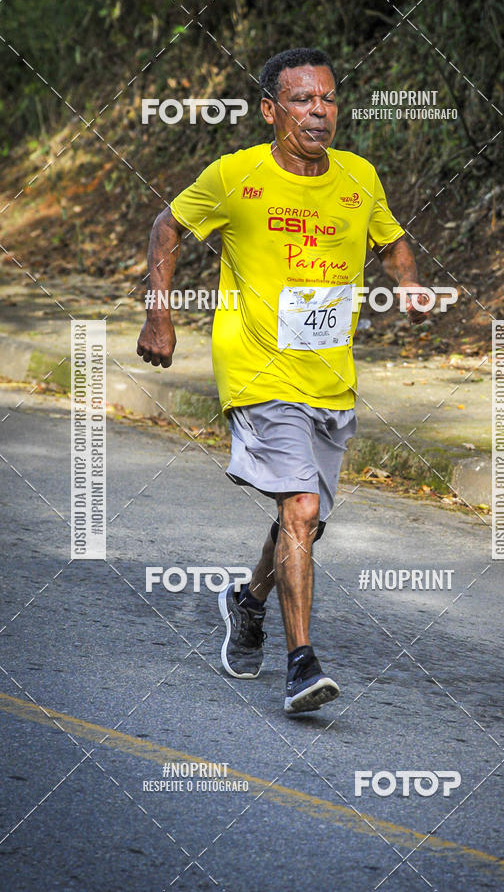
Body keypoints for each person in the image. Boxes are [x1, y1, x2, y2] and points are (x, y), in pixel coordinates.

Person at [137, 47, 428, 715]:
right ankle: (302, 665)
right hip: (257, 370)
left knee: (307, 521)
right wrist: (159, 315)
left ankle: (246, 604)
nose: (318, 111)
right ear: (271, 110)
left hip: (328, 378)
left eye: (327, 98)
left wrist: (409, 284)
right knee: (298, 507)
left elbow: (392, 240)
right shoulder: (236, 176)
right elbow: (168, 225)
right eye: (301, 100)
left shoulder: (358, 177)